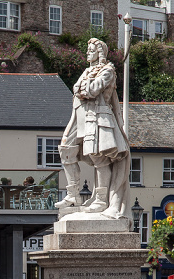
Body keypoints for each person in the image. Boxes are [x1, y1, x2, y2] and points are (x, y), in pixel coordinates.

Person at [54, 38, 131, 219]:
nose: (88, 53)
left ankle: (102, 200)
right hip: (79, 114)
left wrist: (83, 88)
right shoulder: (88, 70)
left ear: (100, 52)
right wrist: (82, 88)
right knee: (66, 149)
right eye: (87, 50)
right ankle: (73, 195)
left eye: (91, 50)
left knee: (99, 158)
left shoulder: (107, 70)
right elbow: (76, 88)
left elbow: (92, 90)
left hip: (97, 115)